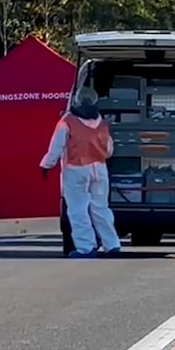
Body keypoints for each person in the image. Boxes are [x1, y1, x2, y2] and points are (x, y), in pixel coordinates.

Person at [40, 87, 122, 257]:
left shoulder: (67, 120)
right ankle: (112, 245)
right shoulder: (101, 122)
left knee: (78, 210)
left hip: (76, 169)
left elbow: (57, 146)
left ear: (77, 100)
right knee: (101, 209)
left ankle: (86, 248)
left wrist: (47, 165)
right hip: (100, 169)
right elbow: (109, 150)